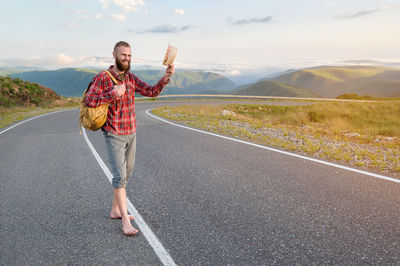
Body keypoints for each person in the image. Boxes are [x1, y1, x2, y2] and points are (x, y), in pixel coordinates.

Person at [85, 41, 175, 235]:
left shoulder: (131, 78)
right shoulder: (103, 78)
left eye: (129, 56)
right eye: (123, 55)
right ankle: (125, 220)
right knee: (119, 175)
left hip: (131, 131)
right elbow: (89, 100)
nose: (126, 58)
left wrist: (165, 78)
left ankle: (115, 209)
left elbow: (151, 92)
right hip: (113, 132)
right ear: (114, 55)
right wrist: (112, 93)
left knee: (127, 173)